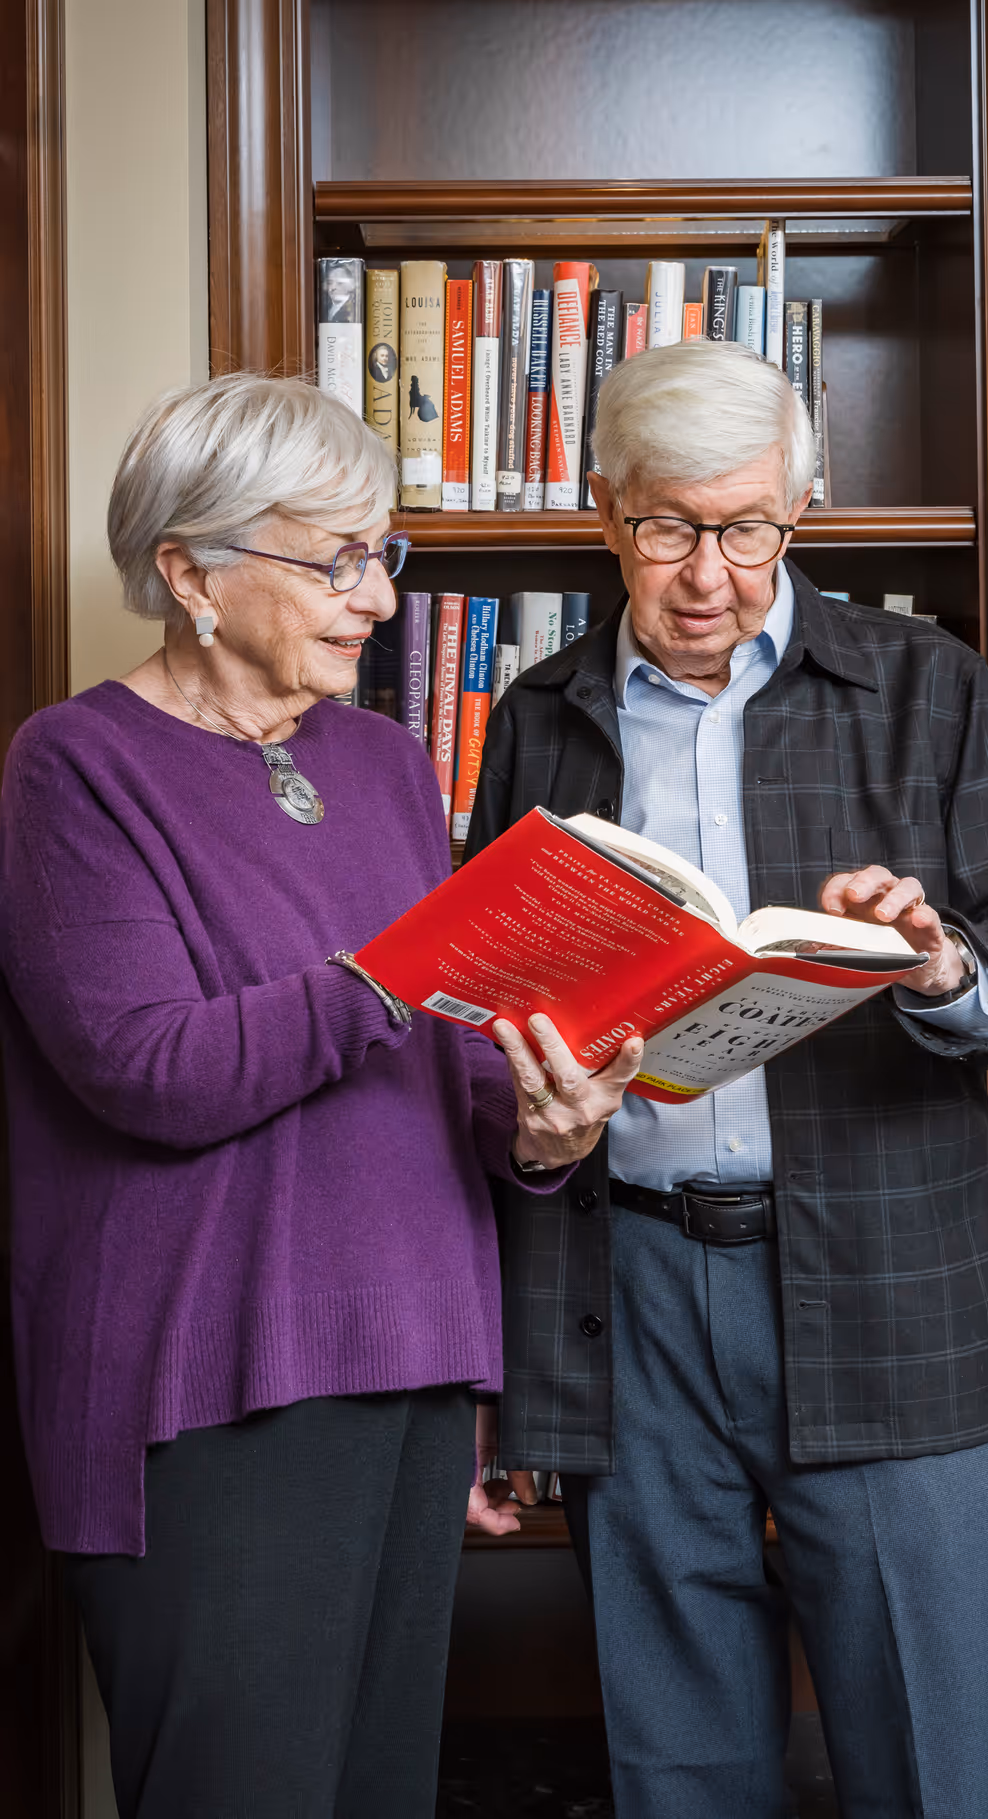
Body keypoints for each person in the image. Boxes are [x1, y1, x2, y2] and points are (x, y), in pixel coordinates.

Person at [465, 339, 988, 1819]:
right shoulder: (540, 716)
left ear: (797, 513)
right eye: (669, 527)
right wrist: (541, 1113)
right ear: (605, 512)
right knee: (677, 1759)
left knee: (939, 1758)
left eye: (749, 527)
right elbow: (486, 1029)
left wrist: (941, 965)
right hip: (626, 1291)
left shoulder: (919, 686)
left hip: (889, 1278)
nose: (711, 571)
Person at [0, 373, 641, 1819]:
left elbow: (451, 1054)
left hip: (411, 1354)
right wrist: (385, 977)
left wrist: (540, 1124)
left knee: (376, 1794)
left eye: (384, 555)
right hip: (213, 1381)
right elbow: (147, 1067)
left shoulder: (386, 762)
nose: (378, 598)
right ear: (189, 571)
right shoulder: (78, 765)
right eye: (334, 559)